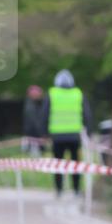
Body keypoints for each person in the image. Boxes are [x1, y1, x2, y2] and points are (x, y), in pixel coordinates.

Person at [42, 69, 91, 197]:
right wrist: (88, 131)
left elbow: (44, 114)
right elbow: (87, 115)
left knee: (58, 164)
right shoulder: (78, 93)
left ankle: (59, 190)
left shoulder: (52, 93)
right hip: (74, 136)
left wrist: (44, 133)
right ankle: (76, 190)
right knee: (75, 164)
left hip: (57, 136)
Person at [22, 85, 46, 158]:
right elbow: (34, 121)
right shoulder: (30, 106)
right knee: (35, 156)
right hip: (33, 134)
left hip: (33, 133)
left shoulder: (33, 104)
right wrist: (41, 133)